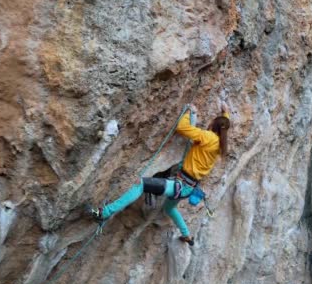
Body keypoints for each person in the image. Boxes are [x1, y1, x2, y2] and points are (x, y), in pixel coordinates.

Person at [86, 102, 231, 246]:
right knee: (169, 208)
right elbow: (224, 127)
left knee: (141, 184)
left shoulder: (208, 137)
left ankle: (103, 213)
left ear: (214, 126)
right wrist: (225, 113)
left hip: (179, 185)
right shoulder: (220, 143)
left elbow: (182, 128)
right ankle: (186, 235)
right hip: (188, 187)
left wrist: (188, 112)